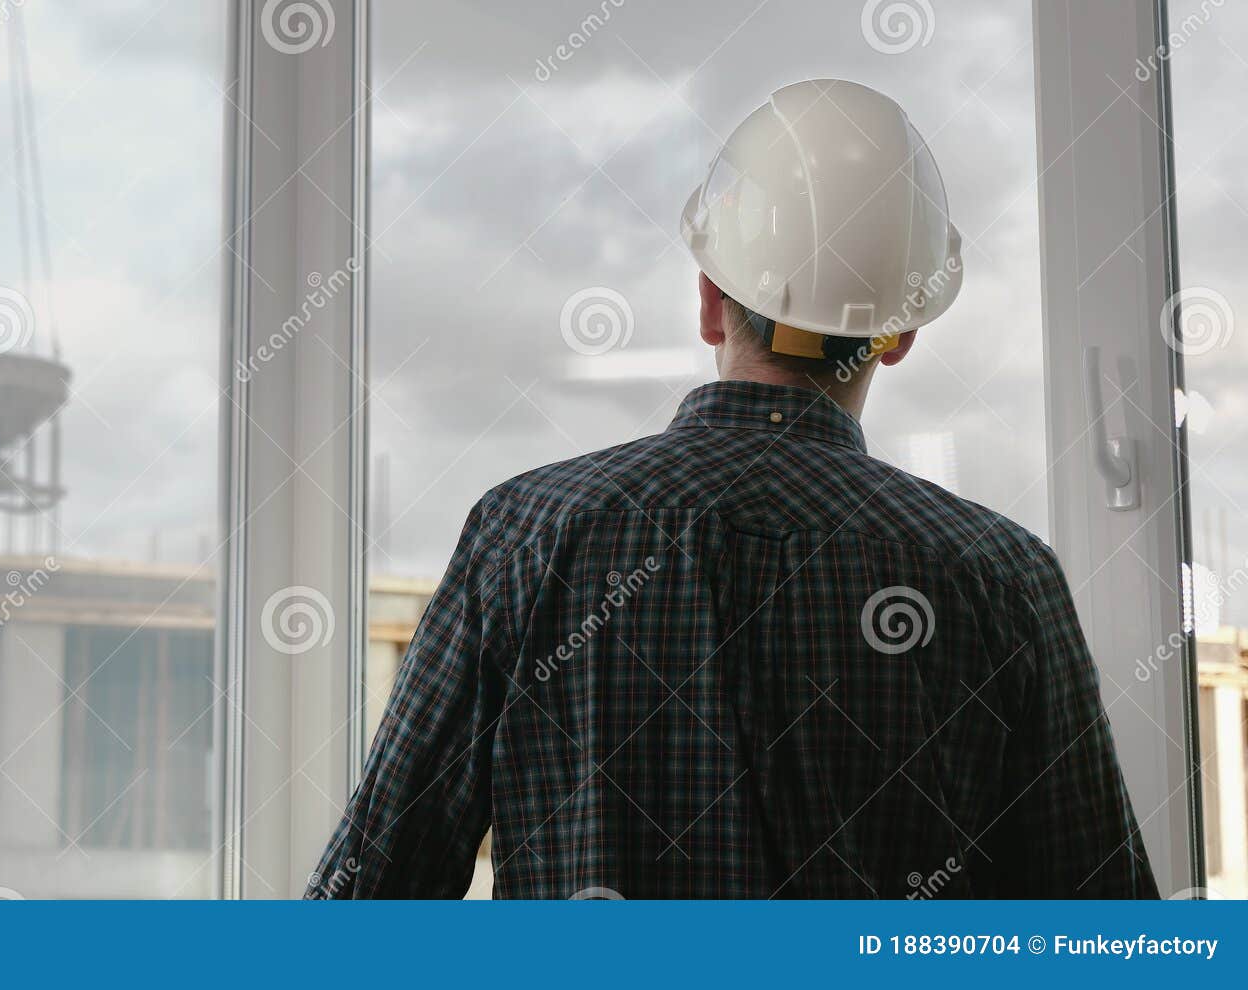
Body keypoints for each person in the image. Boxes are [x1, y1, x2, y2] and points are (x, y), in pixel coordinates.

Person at [307, 79, 1156, 899]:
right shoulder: (1002, 576)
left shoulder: (529, 534)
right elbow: (1109, 937)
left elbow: (368, 899)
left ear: (711, 302)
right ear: (896, 337)